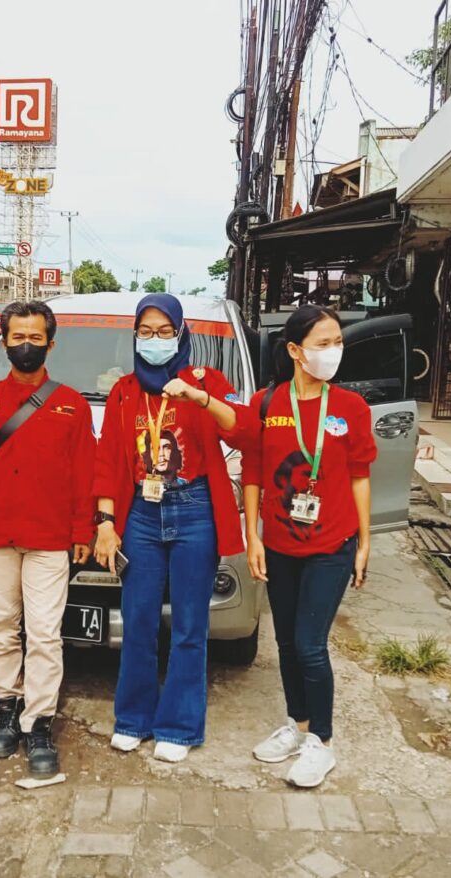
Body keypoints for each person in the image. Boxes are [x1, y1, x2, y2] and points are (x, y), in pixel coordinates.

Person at [93, 293, 244, 763]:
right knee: (138, 620)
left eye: (164, 332)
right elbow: (107, 458)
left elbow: (240, 430)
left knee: (189, 626)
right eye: (146, 332)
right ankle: (133, 720)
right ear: (134, 335)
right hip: (140, 512)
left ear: (180, 334)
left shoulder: (205, 379)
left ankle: (179, 726)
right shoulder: (123, 392)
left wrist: (200, 397)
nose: (154, 340)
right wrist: (105, 521)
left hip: (194, 509)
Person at [0, 300, 95, 778]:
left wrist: (81, 532)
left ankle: (39, 723)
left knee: (46, 635)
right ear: (4, 341)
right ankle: (6, 710)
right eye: (17, 338)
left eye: (35, 338)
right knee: (2, 629)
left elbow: (84, 477)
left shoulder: (71, 403)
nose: (25, 346)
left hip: (50, 540)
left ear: (50, 343)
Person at [236, 305, 374, 788]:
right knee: (286, 643)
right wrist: (251, 534)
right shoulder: (266, 402)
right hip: (278, 543)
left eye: (337, 341)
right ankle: (298, 727)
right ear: (295, 351)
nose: (333, 351)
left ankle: (323, 742)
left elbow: (360, 476)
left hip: (330, 544)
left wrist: (363, 540)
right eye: (322, 343)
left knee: (311, 646)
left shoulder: (351, 407)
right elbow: (251, 472)